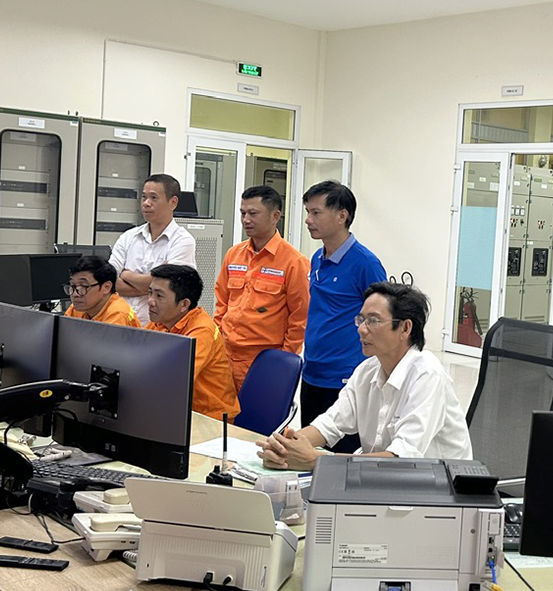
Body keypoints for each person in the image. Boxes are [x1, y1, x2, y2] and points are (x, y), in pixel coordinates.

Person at [258, 281, 471, 471]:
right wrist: (284, 447)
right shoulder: (366, 370)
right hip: (382, 481)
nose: (361, 329)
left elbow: (402, 460)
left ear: (405, 328)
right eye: (361, 319)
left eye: (373, 321)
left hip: (435, 490)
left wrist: (316, 461)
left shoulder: (427, 375)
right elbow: (329, 424)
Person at [299, 181, 386, 452]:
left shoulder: (365, 264)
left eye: (316, 213)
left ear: (341, 216)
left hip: (346, 378)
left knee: (342, 460)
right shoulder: (317, 258)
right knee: (307, 453)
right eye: (308, 212)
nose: (308, 220)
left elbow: (382, 318)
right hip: (312, 373)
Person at [213, 186, 310, 391]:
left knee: (255, 412)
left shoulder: (294, 262)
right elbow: (222, 302)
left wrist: (283, 361)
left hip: (264, 360)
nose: (246, 220)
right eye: (243, 213)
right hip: (225, 356)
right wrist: (217, 342)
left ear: (275, 216)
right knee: (220, 410)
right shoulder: (234, 254)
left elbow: (300, 318)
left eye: (253, 213)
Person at [146, 264, 238, 422]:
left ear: (184, 304)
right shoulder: (160, 322)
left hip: (210, 419)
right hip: (177, 410)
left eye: (159, 296)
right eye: (150, 293)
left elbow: (175, 380)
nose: (150, 301)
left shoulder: (202, 331)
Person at [109, 173, 196, 325]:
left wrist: (126, 274)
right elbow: (108, 282)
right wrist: (153, 286)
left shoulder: (183, 241)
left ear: (173, 202)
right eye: (144, 197)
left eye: (154, 198)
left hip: (158, 328)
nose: (146, 203)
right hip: (120, 323)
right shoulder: (128, 237)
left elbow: (170, 289)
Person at [62, 256, 140, 327]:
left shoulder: (118, 314)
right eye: (73, 285)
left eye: (83, 286)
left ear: (106, 287)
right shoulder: (78, 306)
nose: (75, 294)